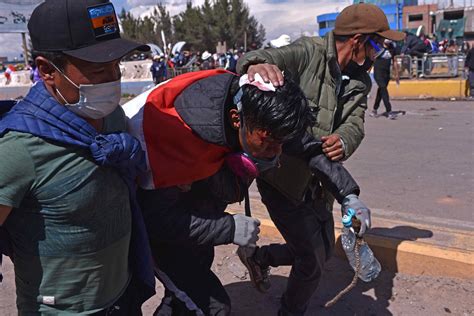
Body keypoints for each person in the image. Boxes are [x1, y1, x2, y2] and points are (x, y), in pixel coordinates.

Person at [123, 68, 370, 315]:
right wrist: (228, 228)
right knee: (212, 306)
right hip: (146, 223)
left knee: (182, 296)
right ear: (235, 119)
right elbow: (155, 220)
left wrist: (348, 195)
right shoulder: (181, 139)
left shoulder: (261, 114)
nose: (276, 152)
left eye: (281, 143)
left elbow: (310, 149)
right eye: (268, 142)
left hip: (191, 215)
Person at [236, 3, 405, 315]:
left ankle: (261, 258)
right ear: (358, 40)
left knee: (323, 251)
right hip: (283, 181)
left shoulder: (359, 82)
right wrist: (257, 67)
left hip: (321, 184)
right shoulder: (307, 53)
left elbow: (355, 124)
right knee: (311, 264)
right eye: (377, 44)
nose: (379, 52)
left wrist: (344, 139)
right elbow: (255, 60)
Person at [0, 0, 155, 314]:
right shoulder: (19, 148)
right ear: (47, 71)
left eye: (116, 66)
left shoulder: (111, 117)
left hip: (122, 296)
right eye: (98, 70)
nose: (113, 80)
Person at [370, 39, 399, 119]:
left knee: (381, 91)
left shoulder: (392, 49)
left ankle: (374, 110)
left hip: (386, 74)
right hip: (378, 73)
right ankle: (389, 111)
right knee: (383, 89)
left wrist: (396, 74)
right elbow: (370, 41)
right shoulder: (378, 47)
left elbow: (395, 61)